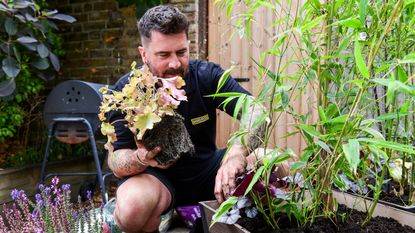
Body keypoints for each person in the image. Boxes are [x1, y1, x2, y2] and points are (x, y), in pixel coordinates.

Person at [107, 5, 266, 233]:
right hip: (156, 181)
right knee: (132, 207)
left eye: (181, 53)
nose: (174, 63)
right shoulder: (126, 92)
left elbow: (257, 111)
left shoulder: (207, 76)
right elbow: (116, 162)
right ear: (144, 54)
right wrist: (141, 158)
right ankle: (167, 217)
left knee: (270, 162)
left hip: (209, 173)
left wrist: (237, 153)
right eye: (163, 55)